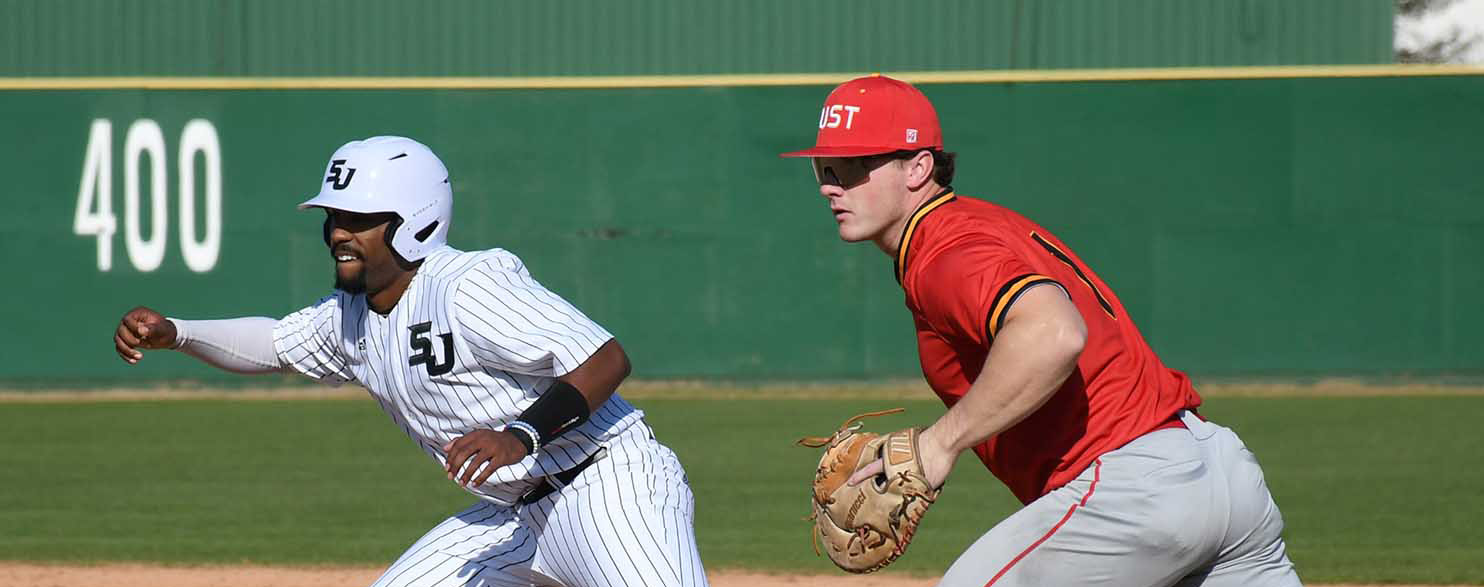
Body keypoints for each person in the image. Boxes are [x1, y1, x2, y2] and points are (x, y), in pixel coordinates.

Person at [112, 136, 708, 587]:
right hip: (513, 517)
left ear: (415, 222)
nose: (339, 233)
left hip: (608, 487)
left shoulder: (468, 283)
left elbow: (605, 358)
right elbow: (273, 344)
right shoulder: (349, 315)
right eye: (333, 218)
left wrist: (521, 435)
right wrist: (180, 333)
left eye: (360, 220)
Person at [780, 75, 1302, 586]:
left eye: (855, 165)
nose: (832, 181)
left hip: (1133, 488)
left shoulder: (944, 254)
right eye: (825, 167)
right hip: (1219, 473)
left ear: (918, 167)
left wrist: (940, 444)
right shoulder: (973, 228)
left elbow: (1055, 333)